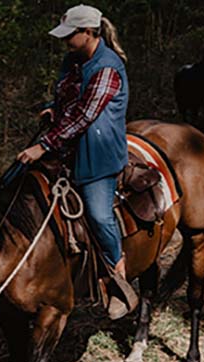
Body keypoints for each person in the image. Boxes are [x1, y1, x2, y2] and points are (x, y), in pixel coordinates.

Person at [16, 5, 137, 320]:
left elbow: (85, 115)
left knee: (98, 215)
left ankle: (117, 273)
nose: (66, 41)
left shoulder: (108, 67)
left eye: (71, 35)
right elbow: (68, 98)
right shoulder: (73, 59)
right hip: (67, 142)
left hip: (96, 154)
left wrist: (43, 145)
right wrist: (52, 108)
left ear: (89, 33)